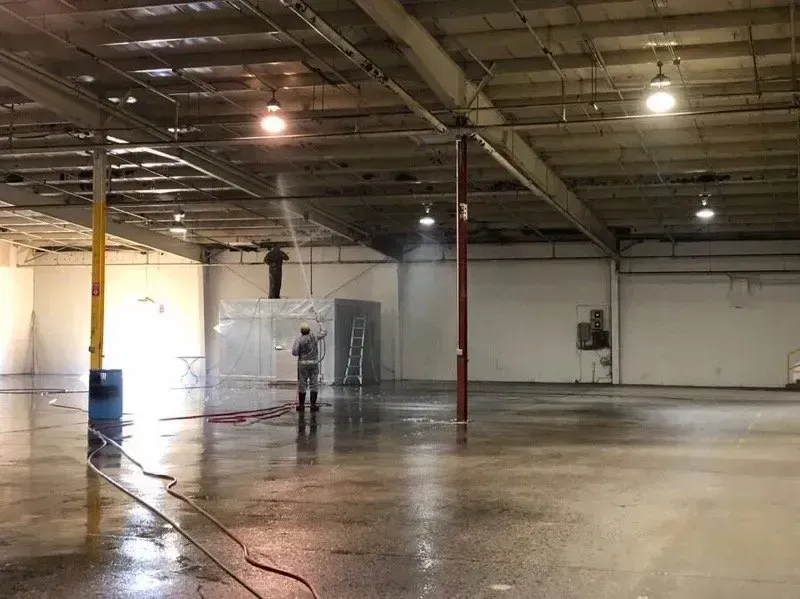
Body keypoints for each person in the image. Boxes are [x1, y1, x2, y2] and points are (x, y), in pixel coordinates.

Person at [292, 322, 327, 412]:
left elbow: (295, 352)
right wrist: (320, 323)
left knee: (302, 384)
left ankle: (301, 405)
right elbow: (324, 332)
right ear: (309, 330)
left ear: (301, 331)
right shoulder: (314, 337)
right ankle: (313, 405)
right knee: (314, 384)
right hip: (314, 364)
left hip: (303, 364)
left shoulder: (298, 340)